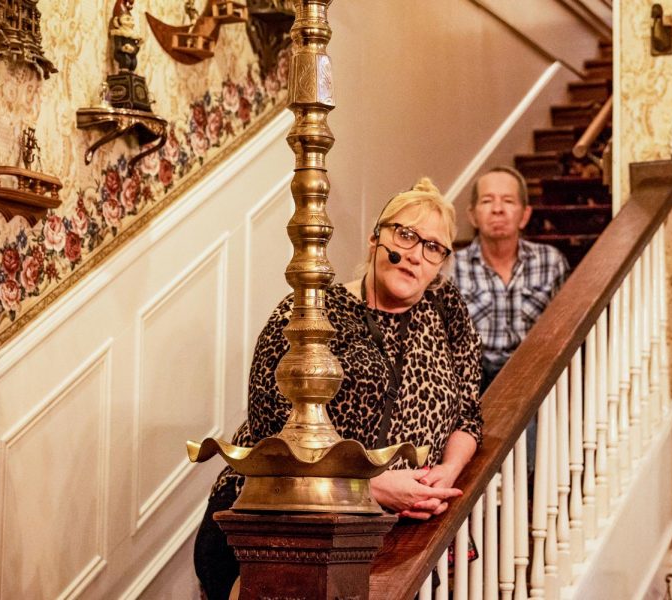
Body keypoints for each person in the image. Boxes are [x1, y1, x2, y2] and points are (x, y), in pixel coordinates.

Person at [194, 177, 483, 600]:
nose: (415, 256)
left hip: (388, 538)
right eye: (405, 235)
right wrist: (375, 489)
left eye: (434, 247)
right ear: (375, 239)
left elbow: (469, 416)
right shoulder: (310, 311)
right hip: (278, 531)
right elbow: (271, 444)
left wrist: (447, 473)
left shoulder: (447, 310)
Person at [454, 166, 569, 391]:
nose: (497, 209)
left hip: (531, 379)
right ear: (472, 215)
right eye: (487, 201)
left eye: (508, 201)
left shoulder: (550, 262)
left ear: (525, 215)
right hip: (470, 381)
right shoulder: (451, 268)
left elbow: (565, 336)